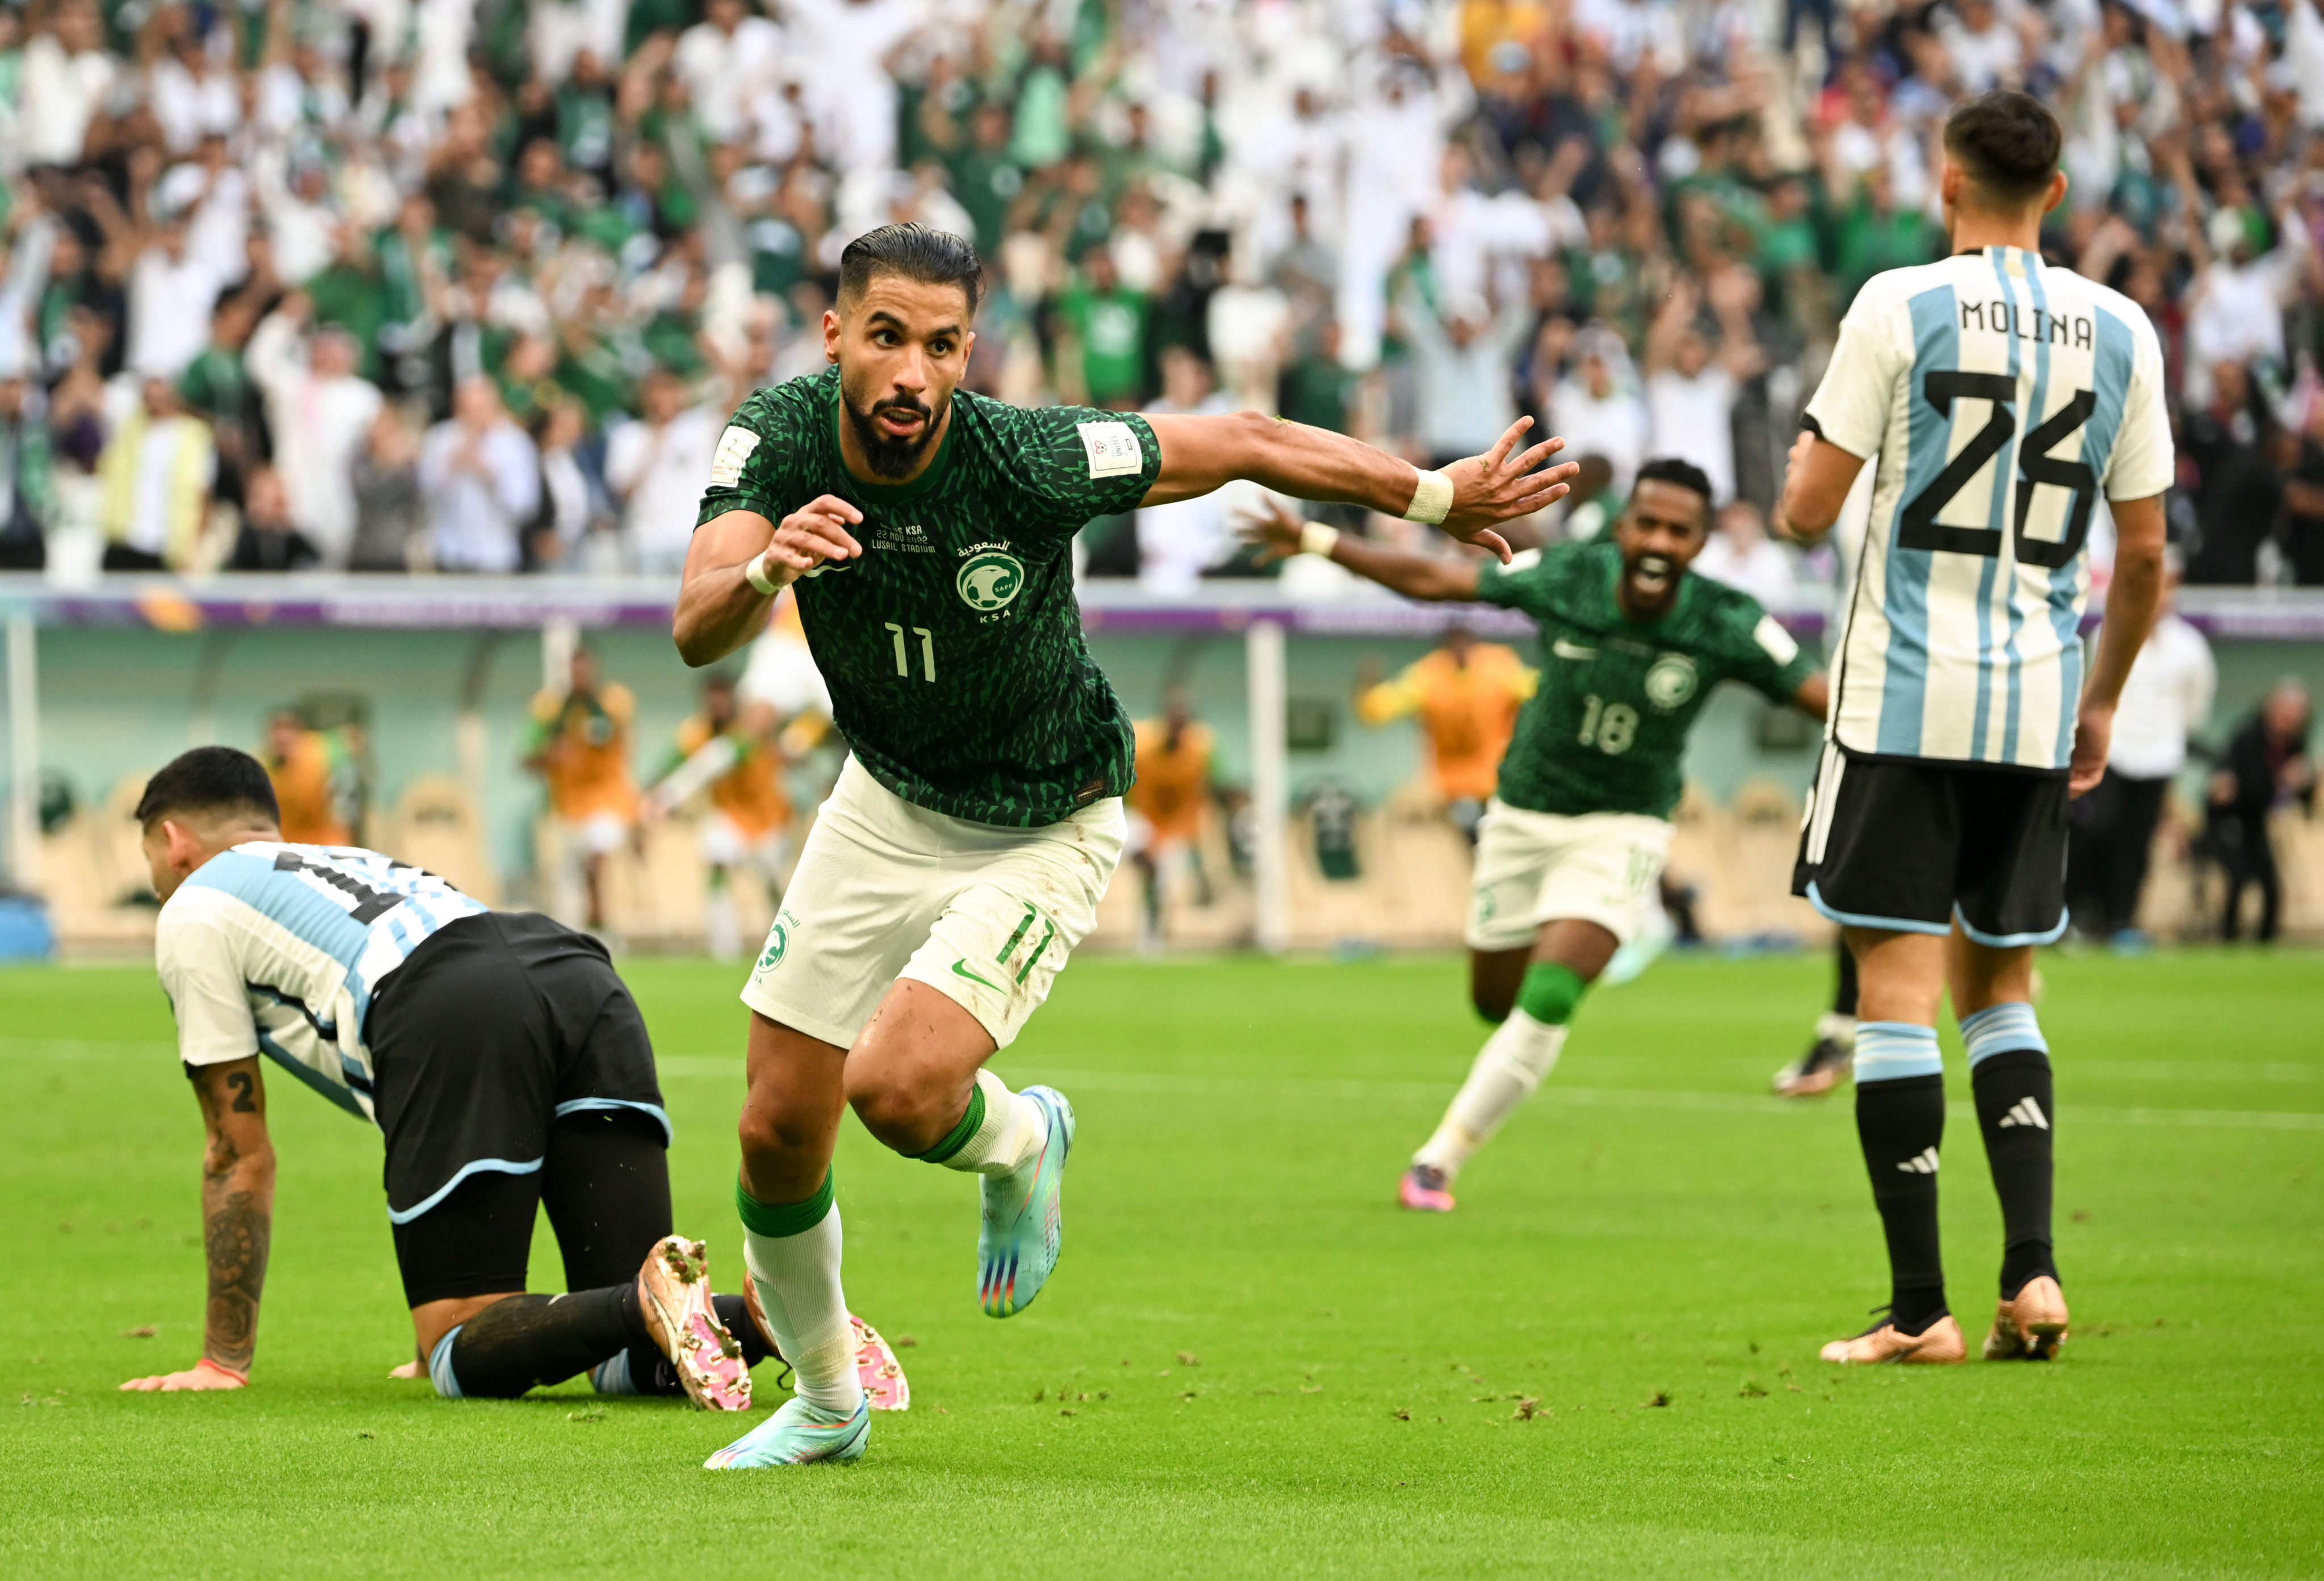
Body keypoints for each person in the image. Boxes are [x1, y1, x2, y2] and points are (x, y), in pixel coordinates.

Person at [672, 222, 1573, 1468]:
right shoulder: (774, 438)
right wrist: (767, 567)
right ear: (835, 335)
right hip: (884, 799)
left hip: (1047, 815)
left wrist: (1430, 493)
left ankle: (1025, 1139)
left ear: (967, 351)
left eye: (941, 346)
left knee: (894, 1090)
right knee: (776, 1126)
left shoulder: (1027, 458)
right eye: (885, 338)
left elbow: (1247, 441)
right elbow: (695, 622)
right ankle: (829, 1401)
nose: (911, 374)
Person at [116, 747, 909, 1411]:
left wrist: (223, 1358)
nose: (157, 875)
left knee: (459, 1350)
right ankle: (793, 1319)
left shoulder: (193, 903)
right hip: (572, 972)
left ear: (174, 839)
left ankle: (645, 1299)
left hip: (452, 1005)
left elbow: (236, 1151)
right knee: (623, 1356)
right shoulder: (338, 858)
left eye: (151, 854)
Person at [1772, 91, 2173, 1366]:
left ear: (1945, 185)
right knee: (2002, 985)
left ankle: (1916, 1309)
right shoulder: (2122, 329)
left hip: (1899, 697)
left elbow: (1800, 510)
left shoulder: (1896, 303)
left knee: (1894, 993)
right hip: (2033, 705)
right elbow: (2150, 551)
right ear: (2055, 192)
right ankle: (2036, 1276)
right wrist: (2099, 699)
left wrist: (1810, 459)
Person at [1246, 459, 1825, 1214]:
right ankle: (1518, 1031)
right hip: (1520, 817)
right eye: (1645, 524)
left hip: (1623, 826)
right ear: (1622, 530)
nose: (1657, 542)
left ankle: (1435, 1162)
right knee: (1494, 1001)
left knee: (1550, 992)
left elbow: (1825, 697)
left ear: (1701, 541)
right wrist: (1318, 543)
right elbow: (1438, 584)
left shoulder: (1725, 620)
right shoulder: (1570, 577)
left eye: (1677, 531)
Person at [2066, 552, 2214, 945]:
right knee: (2097, 831)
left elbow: (2195, 707)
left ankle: (2120, 921)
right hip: (2112, 752)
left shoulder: (2190, 647)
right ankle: (2080, 912)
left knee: (2135, 844)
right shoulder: (2107, 634)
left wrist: (2172, 740)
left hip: (2160, 757)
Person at [642, 670, 793, 963]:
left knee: (775, 887)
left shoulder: (748, 730)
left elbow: (713, 762)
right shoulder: (697, 732)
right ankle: (726, 949)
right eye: (711, 698)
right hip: (731, 819)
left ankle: (783, 951)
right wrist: (650, 793)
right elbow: (675, 761)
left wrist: (668, 796)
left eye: (723, 697)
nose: (717, 705)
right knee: (715, 855)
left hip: (769, 822)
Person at [1355, 623, 1536, 844]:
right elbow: (1376, 710)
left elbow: (1541, 694)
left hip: (1495, 782)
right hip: (1450, 787)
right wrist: (1365, 683)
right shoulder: (1429, 676)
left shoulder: (1498, 668)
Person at [525, 647, 637, 936]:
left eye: (586, 670)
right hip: (569, 808)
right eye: (575, 672)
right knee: (570, 880)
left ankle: (600, 923)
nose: (581, 678)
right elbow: (527, 759)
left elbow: (619, 738)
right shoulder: (550, 709)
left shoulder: (614, 702)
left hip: (610, 801)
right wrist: (552, 755)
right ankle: (587, 934)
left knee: (596, 858)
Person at [2202, 680, 2315, 943]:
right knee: (2239, 879)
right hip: (2229, 820)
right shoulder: (2248, 735)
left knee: (2271, 885)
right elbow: (2230, 780)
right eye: (2286, 712)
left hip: (2256, 823)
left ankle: (2266, 943)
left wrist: (2304, 783)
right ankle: (2227, 939)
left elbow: (2302, 796)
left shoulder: (2295, 745)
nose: (2290, 720)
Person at [1126, 688, 1216, 949]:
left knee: (1163, 880)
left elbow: (1192, 806)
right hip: (1142, 821)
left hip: (1173, 829)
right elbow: (1129, 796)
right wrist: (1150, 839)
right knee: (1127, 832)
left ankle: (1152, 936)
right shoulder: (1144, 750)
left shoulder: (1197, 757)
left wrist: (1163, 839)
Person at [259, 706, 354, 845]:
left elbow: (352, 738)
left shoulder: (320, 752)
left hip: (324, 841)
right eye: (277, 731)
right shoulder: (263, 764)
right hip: (285, 842)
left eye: (288, 730)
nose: (282, 737)